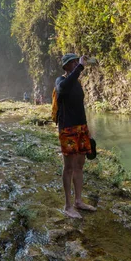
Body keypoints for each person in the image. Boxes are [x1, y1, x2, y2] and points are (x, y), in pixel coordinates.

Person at [55, 53, 96, 219]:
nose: (75, 65)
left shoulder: (77, 83)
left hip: (81, 128)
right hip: (68, 129)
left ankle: (79, 201)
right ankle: (68, 206)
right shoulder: (60, 81)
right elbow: (63, 88)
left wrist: (88, 130)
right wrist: (79, 67)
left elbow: (80, 107)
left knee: (79, 165)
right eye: (72, 63)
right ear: (66, 66)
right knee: (69, 167)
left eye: (75, 63)